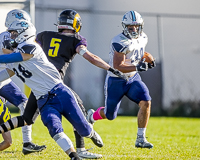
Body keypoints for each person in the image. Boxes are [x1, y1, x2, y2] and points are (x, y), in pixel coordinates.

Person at [0, 18, 126, 159]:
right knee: (54, 128)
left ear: (24, 33)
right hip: (43, 99)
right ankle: (74, 156)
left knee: (83, 129)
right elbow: (5, 73)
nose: (11, 38)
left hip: (60, 92)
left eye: (14, 34)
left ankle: (90, 133)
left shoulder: (31, 47)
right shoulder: (14, 61)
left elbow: (17, 56)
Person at [87, 10, 156, 149]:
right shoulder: (119, 41)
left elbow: (139, 52)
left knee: (146, 102)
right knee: (110, 115)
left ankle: (141, 139)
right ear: (125, 27)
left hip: (132, 79)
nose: (134, 29)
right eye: (131, 26)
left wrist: (147, 57)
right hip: (116, 80)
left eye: (137, 26)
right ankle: (91, 116)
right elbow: (119, 66)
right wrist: (138, 67)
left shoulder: (143, 37)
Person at [0, 9, 46, 154]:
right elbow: (12, 58)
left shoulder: (21, 39)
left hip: (5, 78)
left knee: (25, 105)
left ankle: (27, 143)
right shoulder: (6, 37)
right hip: (4, 76)